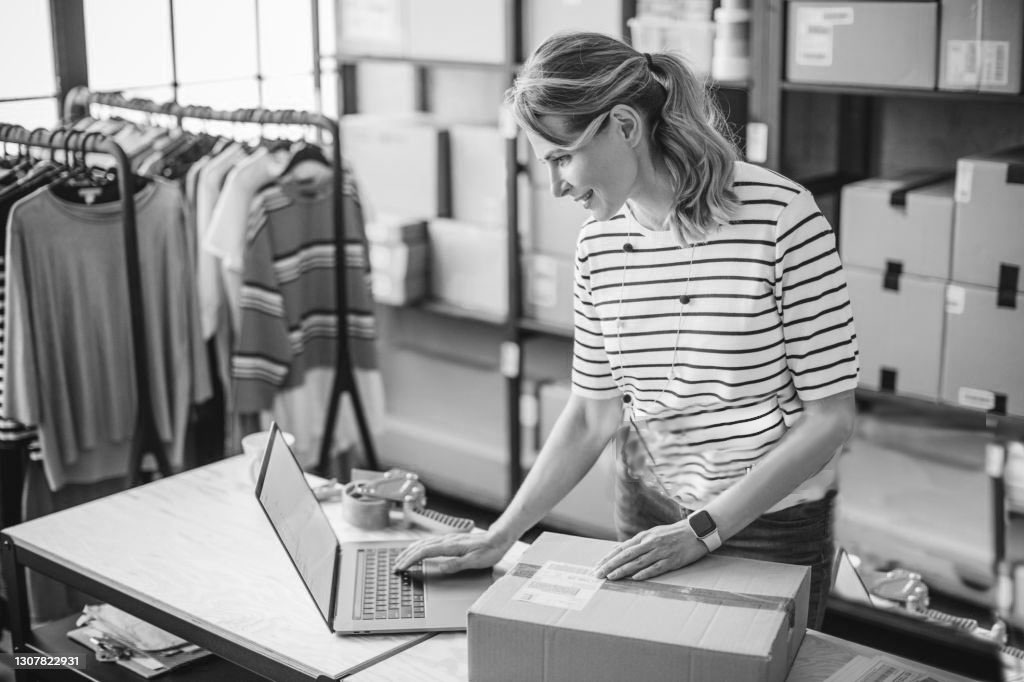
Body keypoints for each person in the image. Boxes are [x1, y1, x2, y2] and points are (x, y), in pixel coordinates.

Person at [395, 31, 859, 628]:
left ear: (624, 125)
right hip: (648, 508)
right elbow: (593, 413)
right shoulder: (599, 244)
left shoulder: (783, 219)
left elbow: (831, 418)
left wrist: (705, 529)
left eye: (562, 157)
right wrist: (501, 534)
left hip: (768, 523)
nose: (557, 185)